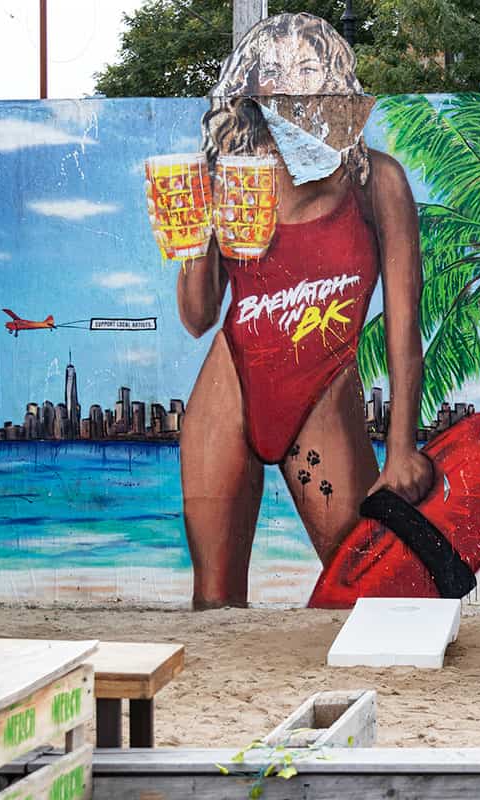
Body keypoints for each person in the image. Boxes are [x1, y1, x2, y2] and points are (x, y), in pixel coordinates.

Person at [174, 13, 434, 609]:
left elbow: (403, 330)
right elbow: (196, 317)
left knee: (362, 591)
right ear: (253, 87)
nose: (291, 86)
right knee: (213, 604)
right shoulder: (230, 181)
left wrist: (401, 448)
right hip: (231, 387)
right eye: (274, 72)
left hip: (323, 392)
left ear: (335, 79)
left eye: (308, 69)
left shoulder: (376, 183)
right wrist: (192, 237)